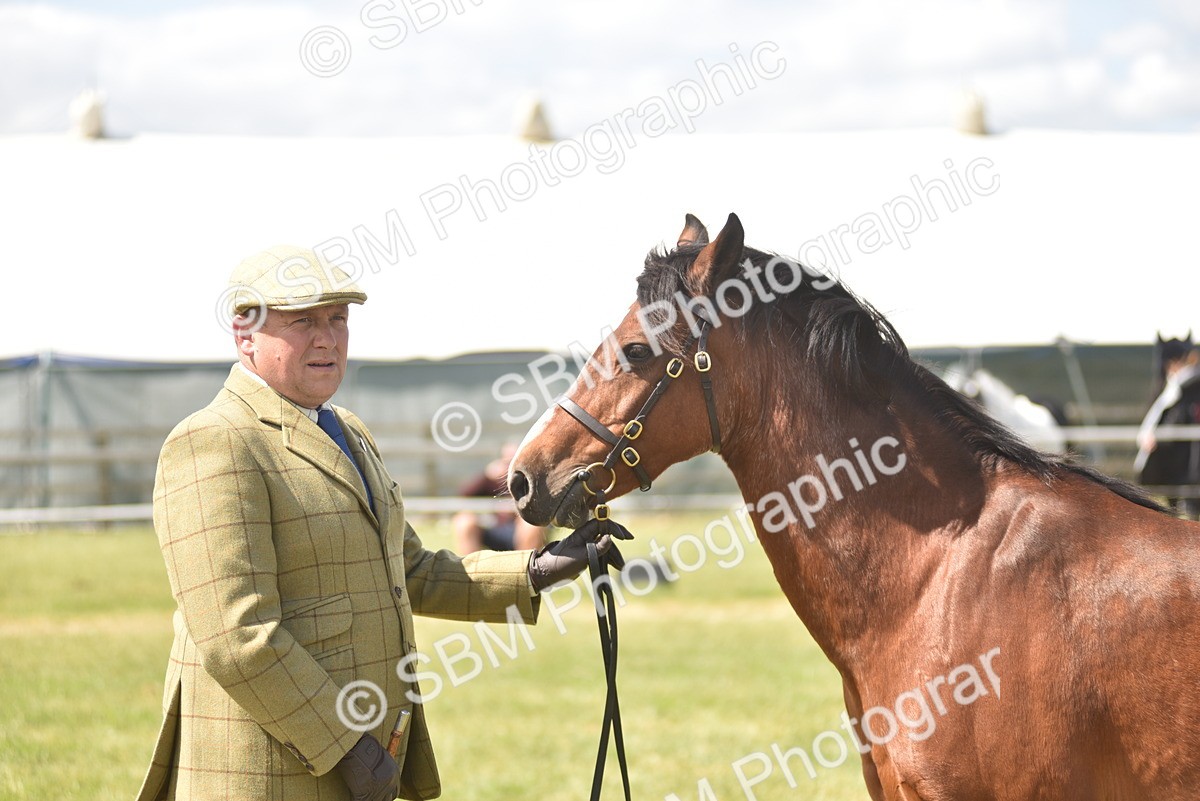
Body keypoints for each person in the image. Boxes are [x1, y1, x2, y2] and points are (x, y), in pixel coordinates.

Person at [135, 245, 627, 801]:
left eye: (338, 319)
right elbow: (236, 635)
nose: (328, 338)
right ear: (244, 334)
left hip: (362, 750)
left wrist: (539, 569)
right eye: (303, 322)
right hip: (271, 771)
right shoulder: (213, 440)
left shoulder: (346, 429)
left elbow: (406, 568)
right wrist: (345, 745)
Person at [453, 443, 547, 553]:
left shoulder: (530, 479)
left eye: (514, 461)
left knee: (531, 525)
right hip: (494, 527)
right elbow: (465, 494)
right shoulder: (492, 481)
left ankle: (526, 562)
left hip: (521, 529)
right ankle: (472, 563)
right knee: (464, 521)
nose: (511, 466)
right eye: (507, 462)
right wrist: (486, 475)